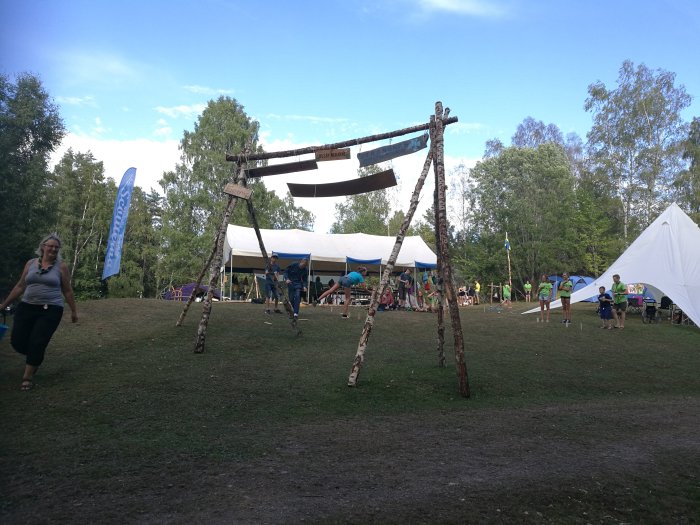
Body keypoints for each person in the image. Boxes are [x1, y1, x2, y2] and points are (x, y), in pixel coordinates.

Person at [0, 233, 78, 391]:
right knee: (17, 341)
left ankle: (27, 377)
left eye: (56, 247)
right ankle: (35, 356)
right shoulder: (30, 263)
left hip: (51, 310)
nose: (53, 249)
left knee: (38, 341)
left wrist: (74, 311)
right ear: (43, 247)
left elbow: (67, 291)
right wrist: (3, 305)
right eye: (50, 246)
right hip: (27, 307)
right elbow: (20, 286)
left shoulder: (61, 267)